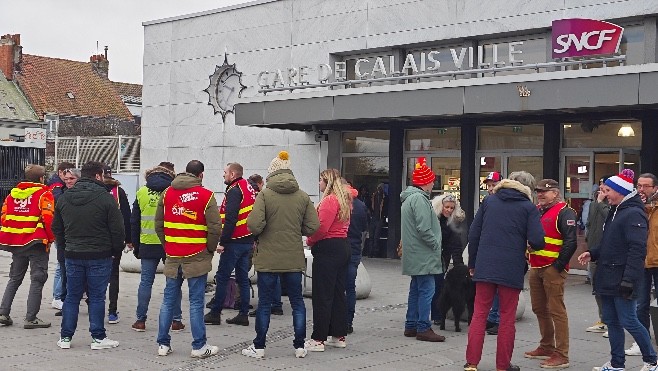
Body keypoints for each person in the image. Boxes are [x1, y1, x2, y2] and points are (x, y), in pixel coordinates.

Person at [241, 151, 320, 359]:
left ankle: (258, 347)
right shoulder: (302, 195)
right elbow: (313, 226)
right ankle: (300, 345)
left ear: (271, 173)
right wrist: (295, 229)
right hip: (293, 257)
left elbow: (254, 224)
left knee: (265, 303)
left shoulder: (265, 195)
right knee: (297, 303)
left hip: (268, 257)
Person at [578, 169, 658, 371]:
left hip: (623, 277)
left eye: (606, 190)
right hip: (607, 274)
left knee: (629, 321)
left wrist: (629, 280)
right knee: (612, 321)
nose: (603, 194)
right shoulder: (616, 210)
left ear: (620, 191)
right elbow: (610, 243)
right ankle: (616, 363)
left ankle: (652, 360)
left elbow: (637, 249)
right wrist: (593, 253)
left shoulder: (633, 213)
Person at [465, 171, 545, 371]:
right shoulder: (528, 208)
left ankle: (472, 363)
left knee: (479, 313)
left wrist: (473, 263)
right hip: (511, 268)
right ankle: (502, 365)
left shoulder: (489, 202)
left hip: (485, 265)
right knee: (507, 317)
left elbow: (474, 234)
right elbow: (538, 241)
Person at [53, 161, 125, 350]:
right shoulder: (106, 198)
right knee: (97, 297)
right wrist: (115, 252)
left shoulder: (64, 198)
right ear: (99, 175)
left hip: (72, 253)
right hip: (100, 255)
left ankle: (65, 338)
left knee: (71, 296)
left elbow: (57, 229)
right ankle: (98, 337)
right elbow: (118, 230)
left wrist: (64, 247)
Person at [155, 160, 222, 358]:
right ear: (201, 175)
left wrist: (168, 246)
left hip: (173, 255)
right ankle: (199, 346)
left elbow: (159, 224)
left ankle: (163, 344)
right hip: (197, 256)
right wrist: (209, 249)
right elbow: (215, 228)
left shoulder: (167, 193)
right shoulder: (206, 195)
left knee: (168, 301)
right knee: (195, 302)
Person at [524, 179, 577, 369]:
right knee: (539, 308)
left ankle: (562, 354)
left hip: (552, 268)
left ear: (555, 193)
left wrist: (558, 266)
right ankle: (546, 346)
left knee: (556, 311)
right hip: (536, 266)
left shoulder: (565, 212)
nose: (540, 194)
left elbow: (571, 242)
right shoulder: (538, 210)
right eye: (538, 191)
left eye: (545, 192)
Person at [130, 162, 185, 332]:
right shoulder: (173, 192)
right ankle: (176, 320)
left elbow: (134, 222)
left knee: (146, 282)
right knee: (173, 282)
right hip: (170, 243)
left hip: (148, 243)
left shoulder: (142, 192)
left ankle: (140, 320)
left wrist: (136, 245)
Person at [0, 165, 55, 329]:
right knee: (37, 279)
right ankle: (31, 318)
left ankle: (3, 313)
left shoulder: (12, 194)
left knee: (14, 278)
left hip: (16, 243)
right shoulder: (44, 194)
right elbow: (48, 218)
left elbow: (4, 216)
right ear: (41, 178)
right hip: (36, 243)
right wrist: (51, 238)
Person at [305, 168, 352, 351]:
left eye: (320, 180)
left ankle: (318, 339)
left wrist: (309, 240)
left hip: (328, 249)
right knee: (339, 293)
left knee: (322, 295)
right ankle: (338, 335)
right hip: (342, 246)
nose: (318, 183)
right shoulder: (345, 200)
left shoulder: (329, 201)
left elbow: (321, 228)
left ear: (327, 182)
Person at [205, 162, 255, 326]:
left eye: (225, 172)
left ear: (233, 174)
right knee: (242, 278)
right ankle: (243, 314)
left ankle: (215, 312)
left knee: (222, 277)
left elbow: (231, 217)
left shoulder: (235, 190)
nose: (223, 175)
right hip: (247, 239)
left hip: (234, 241)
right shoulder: (247, 187)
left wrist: (223, 241)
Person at [400, 157, 445, 343]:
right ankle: (423, 327)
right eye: (432, 180)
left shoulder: (409, 198)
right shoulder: (419, 199)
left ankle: (411, 325)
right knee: (427, 290)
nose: (434, 182)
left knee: (416, 289)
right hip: (424, 254)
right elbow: (424, 228)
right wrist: (436, 245)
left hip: (415, 253)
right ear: (425, 182)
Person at [628, 173, 658, 356]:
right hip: (642, 260)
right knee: (641, 303)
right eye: (639, 186)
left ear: (655, 188)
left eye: (646, 186)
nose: (641, 190)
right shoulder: (637, 206)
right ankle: (642, 341)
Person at [246, 173, 284, 318]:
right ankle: (276, 304)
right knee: (275, 273)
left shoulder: (263, 198)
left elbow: (257, 222)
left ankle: (267, 305)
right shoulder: (281, 198)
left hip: (266, 239)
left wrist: (255, 238)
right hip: (279, 239)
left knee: (265, 273)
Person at [430, 193, 467, 326]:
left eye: (452, 208)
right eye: (447, 207)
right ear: (441, 206)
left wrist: (460, 267)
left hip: (442, 259)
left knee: (439, 286)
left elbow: (456, 246)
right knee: (429, 287)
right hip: (429, 256)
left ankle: (437, 315)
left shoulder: (453, 223)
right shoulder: (432, 218)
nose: (449, 210)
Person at [102, 164, 132, 324]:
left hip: (97, 240)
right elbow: (127, 216)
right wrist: (128, 239)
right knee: (113, 276)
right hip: (115, 241)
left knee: (96, 276)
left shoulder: (95, 192)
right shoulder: (118, 192)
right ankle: (112, 312)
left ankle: (96, 307)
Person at [54, 168, 81, 317]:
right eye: (66, 179)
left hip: (79, 241)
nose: (69, 181)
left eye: (72, 178)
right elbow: (56, 222)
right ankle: (65, 304)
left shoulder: (82, 195)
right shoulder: (61, 195)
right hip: (64, 241)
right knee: (64, 273)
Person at [48, 161, 74, 312]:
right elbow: (59, 204)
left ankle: (58, 295)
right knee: (61, 266)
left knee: (62, 265)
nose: (68, 180)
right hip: (60, 230)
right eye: (67, 175)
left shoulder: (56, 185)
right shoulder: (57, 188)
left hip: (60, 229)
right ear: (61, 172)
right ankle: (57, 296)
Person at [585, 182, 610, 336]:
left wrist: (601, 203)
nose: (601, 191)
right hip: (594, 250)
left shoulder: (612, 205)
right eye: (600, 188)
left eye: (605, 189)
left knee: (608, 289)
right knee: (597, 288)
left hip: (606, 253)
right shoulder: (594, 203)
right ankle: (603, 320)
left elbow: (608, 216)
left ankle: (612, 322)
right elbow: (590, 223)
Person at [345, 180, 368, 335]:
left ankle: (338, 320)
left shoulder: (338, 202)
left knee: (337, 288)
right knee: (350, 287)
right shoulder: (361, 205)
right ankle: (348, 322)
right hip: (354, 249)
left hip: (339, 249)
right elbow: (365, 228)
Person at [482, 171, 503, 336]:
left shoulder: (504, 201)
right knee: (491, 287)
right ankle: (492, 317)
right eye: (488, 185)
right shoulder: (487, 201)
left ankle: (497, 319)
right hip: (490, 249)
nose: (490, 188)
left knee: (500, 288)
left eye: (493, 185)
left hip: (501, 250)